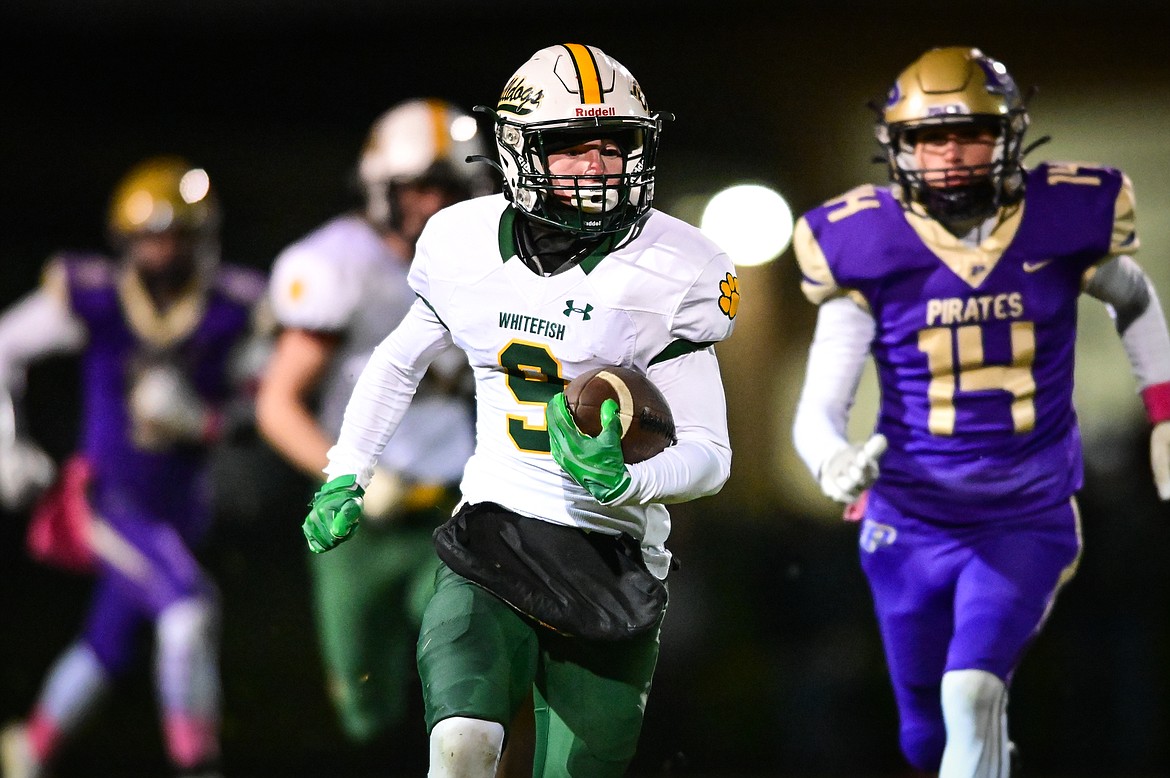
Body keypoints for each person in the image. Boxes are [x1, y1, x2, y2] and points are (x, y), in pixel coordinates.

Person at [300, 43, 738, 777]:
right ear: (516, 150)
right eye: (572, 147)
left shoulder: (678, 267)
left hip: (613, 559)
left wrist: (626, 481)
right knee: (461, 748)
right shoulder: (462, 240)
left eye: (615, 144)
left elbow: (711, 453)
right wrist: (348, 471)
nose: (598, 165)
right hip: (492, 537)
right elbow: (396, 361)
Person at [790, 46, 1170, 776]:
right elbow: (818, 409)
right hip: (908, 517)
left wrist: (1161, 407)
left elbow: (1136, 299)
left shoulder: (1060, 219)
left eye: (971, 134)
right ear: (897, 148)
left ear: (1010, 137)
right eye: (930, 138)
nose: (952, 155)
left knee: (972, 694)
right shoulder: (864, 243)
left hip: (1024, 513)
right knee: (923, 733)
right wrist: (830, 460)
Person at [0, 156, 266, 778]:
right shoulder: (94, 295)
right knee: (188, 610)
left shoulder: (233, 306)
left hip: (180, 506)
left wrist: (201, 420)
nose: (162, 252)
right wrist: (7, 444)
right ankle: (198, 765)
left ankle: (28, 751)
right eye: (149, 237)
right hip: (107, 499)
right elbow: (4, 344)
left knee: (107, 641)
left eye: (176, 236)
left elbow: (261, 408)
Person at [256, 99, 489, 751]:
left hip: (452, 512)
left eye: (448, 187)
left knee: (463, 672)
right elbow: (278, 404)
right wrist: (351, 475)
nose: (434, 204)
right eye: (419, 186)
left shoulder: (487, 261)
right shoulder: (340, 266)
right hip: (356, 519)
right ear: (380, 187)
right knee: (366, 710)